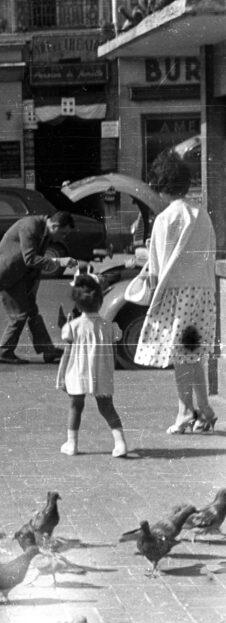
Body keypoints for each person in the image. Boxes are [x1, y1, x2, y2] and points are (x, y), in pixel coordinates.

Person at [134, 151, 218, 434]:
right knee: (193, 355)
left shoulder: (165, 219)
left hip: (176, 294)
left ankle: (185, 412)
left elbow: (156, 268)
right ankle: (204, 410)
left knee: (181, 356)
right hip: (203, 292)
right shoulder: (201, 215)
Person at [0, 210, 78, 365]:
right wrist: (59, 261)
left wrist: (32, 287)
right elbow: (30, 259)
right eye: (63, 233)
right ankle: (4, 353)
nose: (63, 237)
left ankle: (48, 351)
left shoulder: (45, 229)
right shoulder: (30, 226)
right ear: (54, 226)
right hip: (7, 275)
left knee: (32, 312)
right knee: (19, 315)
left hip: (20, 275)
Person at [55, 274, 130, 458]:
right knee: (107, 407)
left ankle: (72, 443)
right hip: (102, 373)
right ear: (100, 301)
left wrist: (62, 375)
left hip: (78, 372)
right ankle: (120, 442)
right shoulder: (109, 326)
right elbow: (116, 341)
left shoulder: (73, 326)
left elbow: (67, 352)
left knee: (75, 406)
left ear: (78, 304)